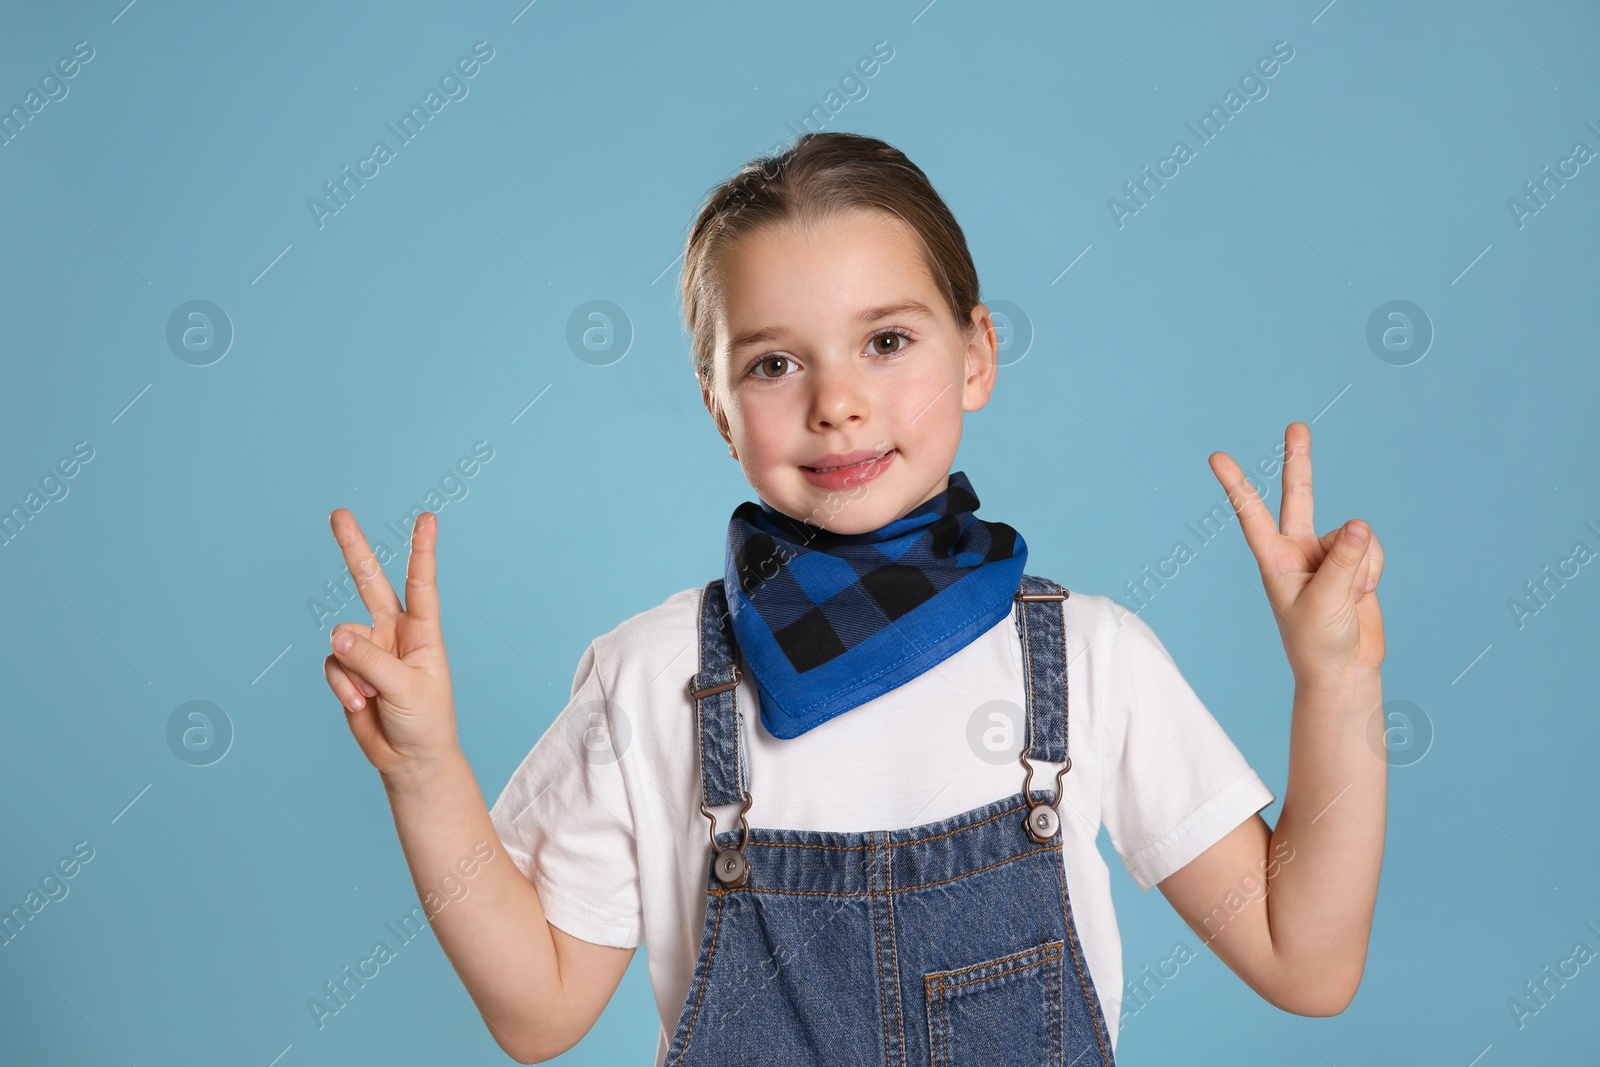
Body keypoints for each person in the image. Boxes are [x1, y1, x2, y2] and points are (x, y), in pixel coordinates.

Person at [320, 131, 1387, 1066]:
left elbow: (1308, 961)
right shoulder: (653, 680)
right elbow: (539, 1012)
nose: (837, 402)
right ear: (716, 406)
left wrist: (1333, 680)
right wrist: (426, 773)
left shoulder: (1087, 657)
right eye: (776, 362)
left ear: (976, 354)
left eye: (886, 341)